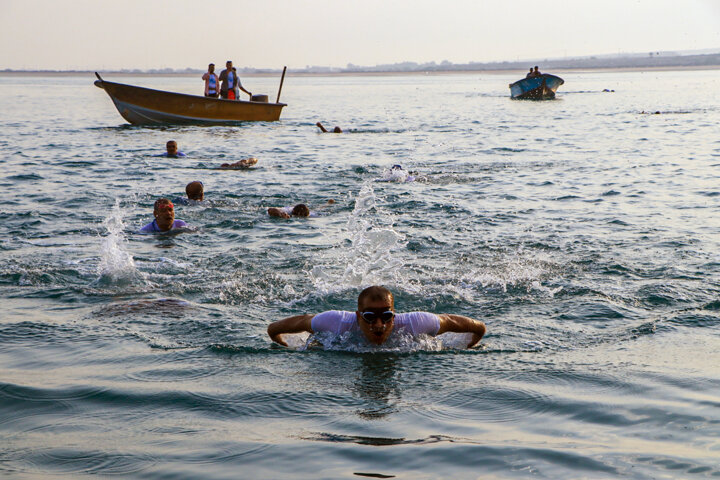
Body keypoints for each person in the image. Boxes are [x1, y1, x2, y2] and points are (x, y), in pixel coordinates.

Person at [267, 285, 487, 348]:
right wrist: (286, 346)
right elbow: (274, 329)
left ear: (395, 316)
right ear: (357, 316)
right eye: (370, 317)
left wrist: (469, 345)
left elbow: (478, 327)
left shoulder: (416, 323)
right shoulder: (336, 322)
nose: (379, 325)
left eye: (387, 316)